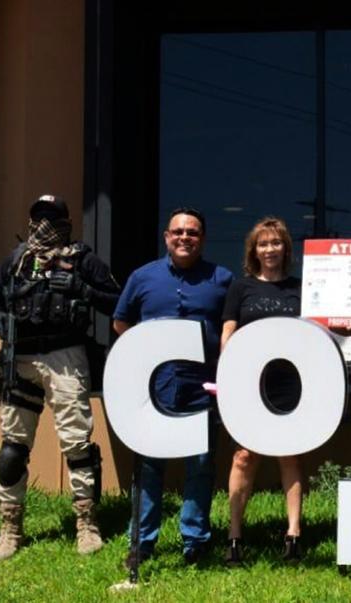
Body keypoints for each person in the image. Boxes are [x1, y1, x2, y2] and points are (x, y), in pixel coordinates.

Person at [0, 194, 121, 561]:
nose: (44, 225)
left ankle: (86, 523)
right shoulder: (17, 260)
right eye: (39, 217)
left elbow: (117, 302)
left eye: (52, 218)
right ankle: (10, 527)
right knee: (13, 447)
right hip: (21, 356)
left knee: (76, 442)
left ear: (66, 222)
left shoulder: (83, 260)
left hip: (65, 355)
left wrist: (81, 289)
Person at [113, 207, 233, 566]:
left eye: (192, 232)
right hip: (155, 388)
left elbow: (231, 325)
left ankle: (195, 542)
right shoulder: (142, 277)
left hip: (202, 386)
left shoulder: (222, 278)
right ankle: (142, 542)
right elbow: (121, 322)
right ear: (167, 237)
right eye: (178, 232)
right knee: (149, 466)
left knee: (201, 466)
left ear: (202, 239)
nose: (185, 238)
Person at [221, 217, 305, 563]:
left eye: (276, 243)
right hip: (251, 382)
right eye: (263, 244)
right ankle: (234, 537)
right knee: (244, 455)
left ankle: (294, 535)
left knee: (289, 454)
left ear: (286, 248)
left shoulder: (300, 288)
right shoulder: (241, 288)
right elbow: (228, 333)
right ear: (253, 250)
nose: (270, 249)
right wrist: (228, 371)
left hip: (291, 381)